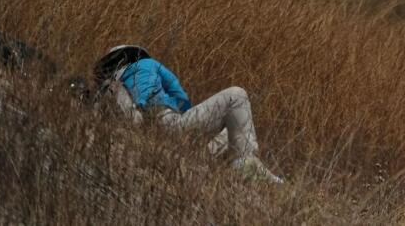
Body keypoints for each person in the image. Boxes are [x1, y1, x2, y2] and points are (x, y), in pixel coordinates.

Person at [93, 44, 282, 183]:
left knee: (232, 132)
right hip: (165, 125)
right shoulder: (144, 65)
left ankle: (246, 165)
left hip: (163, 133)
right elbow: (178, 95)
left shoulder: (113, 86)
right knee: (236, 96)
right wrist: (177, 109)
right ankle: (245, 163)